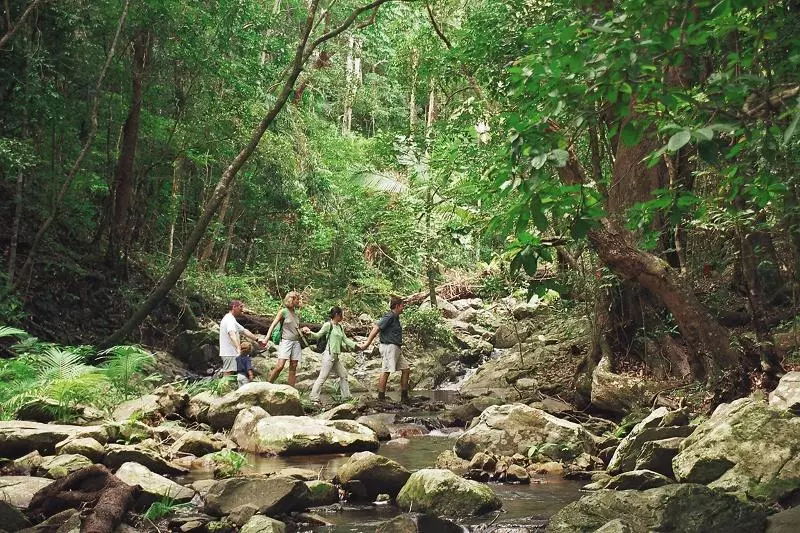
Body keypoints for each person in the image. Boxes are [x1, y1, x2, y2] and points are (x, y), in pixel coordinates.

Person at [359, 296, 410, 403]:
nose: (403, 308)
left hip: (396, 347)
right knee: (386, 371)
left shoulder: (395, 317)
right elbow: (376, 328)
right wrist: (368, 343)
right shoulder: (389, 316)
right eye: (402, 306)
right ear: (397, 306)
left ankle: (404, 396)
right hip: (389, 347)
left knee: (406, 369)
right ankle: (381, 397)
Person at [302, 306, 357, 405]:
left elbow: (345, 340)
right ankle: (313, 398)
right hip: (329, 355)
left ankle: (346, 397)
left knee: (343, 375)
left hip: (335, 357)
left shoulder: (340, 327)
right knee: (322, 377)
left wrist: (357, 346)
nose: (343, 317)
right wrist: (309, 333)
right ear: (337, 315)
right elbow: (318, 335)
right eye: (342, 314)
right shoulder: (328, 325)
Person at [266, 291, 303, 386]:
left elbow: (295, 328)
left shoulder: (295, 313)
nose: (298, 301)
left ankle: (291, 389)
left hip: (296, 342)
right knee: (280, 366)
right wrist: (266, 338)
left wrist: (303, 331)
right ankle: (267, 385)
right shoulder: (283, 311)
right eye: (297, 299)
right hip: (286, 341)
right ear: (292, 299)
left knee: (293, 367)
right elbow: (273, 324)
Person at [219, 300, 263, 376]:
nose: (242, 309)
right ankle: (224, 388)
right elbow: (231, 334)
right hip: (229, 352)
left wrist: (257, 339)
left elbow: (244, 331)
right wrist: (238, 348)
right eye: (241, 307)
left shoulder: (232, 319)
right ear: (234, 307)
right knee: (228, 374)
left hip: (231, 352)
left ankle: (227, 387)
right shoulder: (229, 320)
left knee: (230, 373)